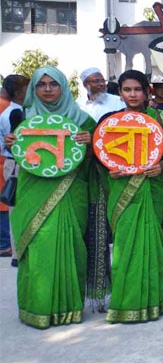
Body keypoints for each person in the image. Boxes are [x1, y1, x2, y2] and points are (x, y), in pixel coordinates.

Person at [5, 66, 95, 328]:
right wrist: (11, 142)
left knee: (70, 244)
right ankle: (37, 306)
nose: (47, 89)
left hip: (71, 191)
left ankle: (69, 307)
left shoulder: (82, 120)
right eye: (41, 85)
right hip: (33, 190)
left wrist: (90, 145)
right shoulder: (21, 116)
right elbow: (21, 155)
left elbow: (93, 162)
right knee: (36, 245)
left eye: (53, 84)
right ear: (33, 89)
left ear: (63, 88)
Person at [100, 70, 163, 323]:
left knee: (152, 242)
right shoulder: (109, 120)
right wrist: (110, 170)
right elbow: (100, 155)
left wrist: (162, 165)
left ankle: (154, 300)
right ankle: (125, 301)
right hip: (122, 190)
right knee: (124, 245)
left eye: (137, 89)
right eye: (127, 89)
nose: (133, 94)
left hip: (151, 189)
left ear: (147, 91)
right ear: (120, 92)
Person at [0, 75, 29, 261]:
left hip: (13, 164)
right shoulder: (15, 114)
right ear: (19, 93)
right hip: (17, 165)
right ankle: (18, 254)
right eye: (30, 88)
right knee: (17, 211)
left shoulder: (17, 110)